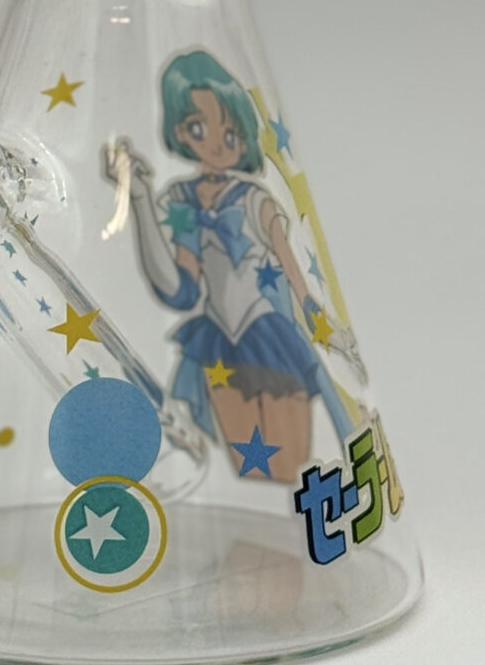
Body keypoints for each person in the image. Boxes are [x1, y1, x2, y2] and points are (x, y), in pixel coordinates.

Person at [109, 50, 351, 482]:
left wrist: (319, 318)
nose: (217, 144)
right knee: (251, 467)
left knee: (291, 467)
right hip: (220, 344)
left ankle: (305, 524)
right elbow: (180, 290)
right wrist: (140, 199)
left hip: (268, 335)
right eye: (198, 129)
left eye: (230, 132)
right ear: (180, 131)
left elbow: (291, 268)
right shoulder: (182, 201)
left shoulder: (256, 200)